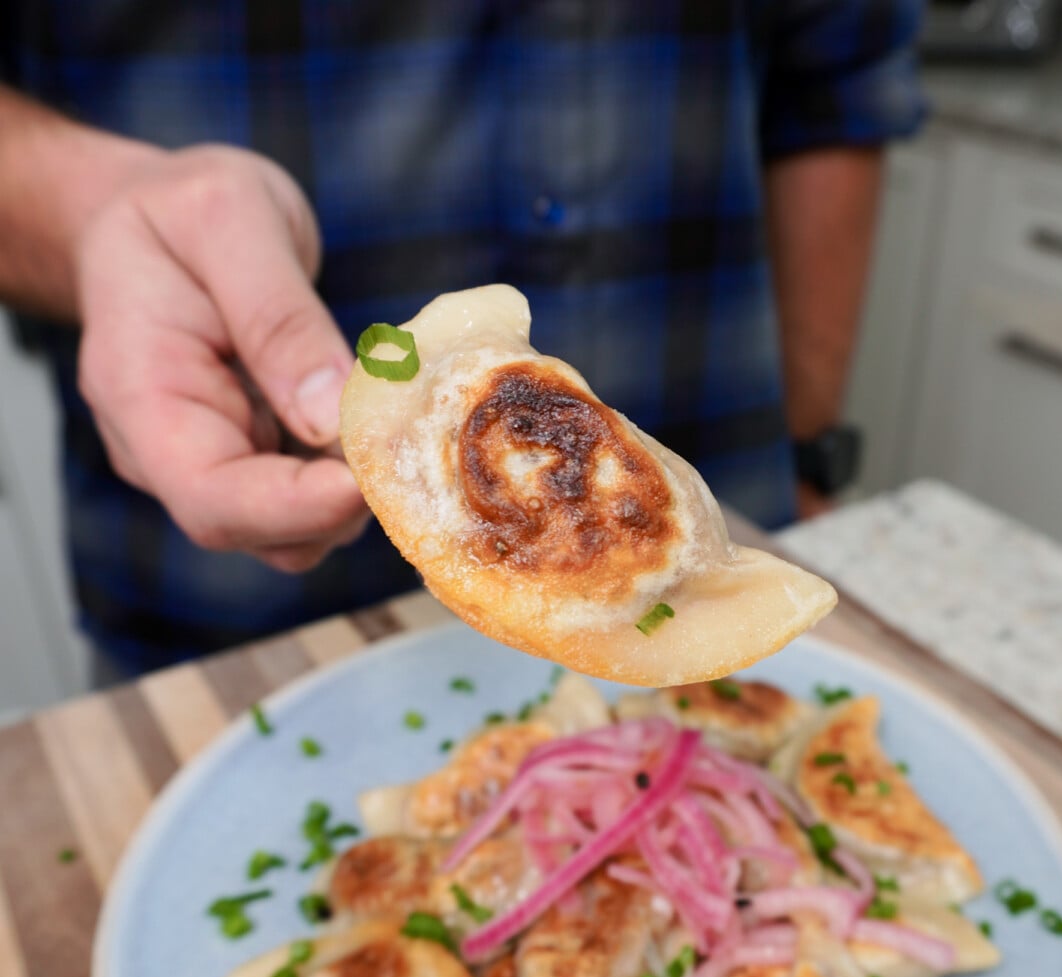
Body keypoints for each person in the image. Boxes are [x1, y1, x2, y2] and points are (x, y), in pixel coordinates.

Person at [0, 2, 924, 681]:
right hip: (219, 621)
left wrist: (809, 446)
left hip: (717, 528)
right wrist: (90, 212)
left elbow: (836, 82)